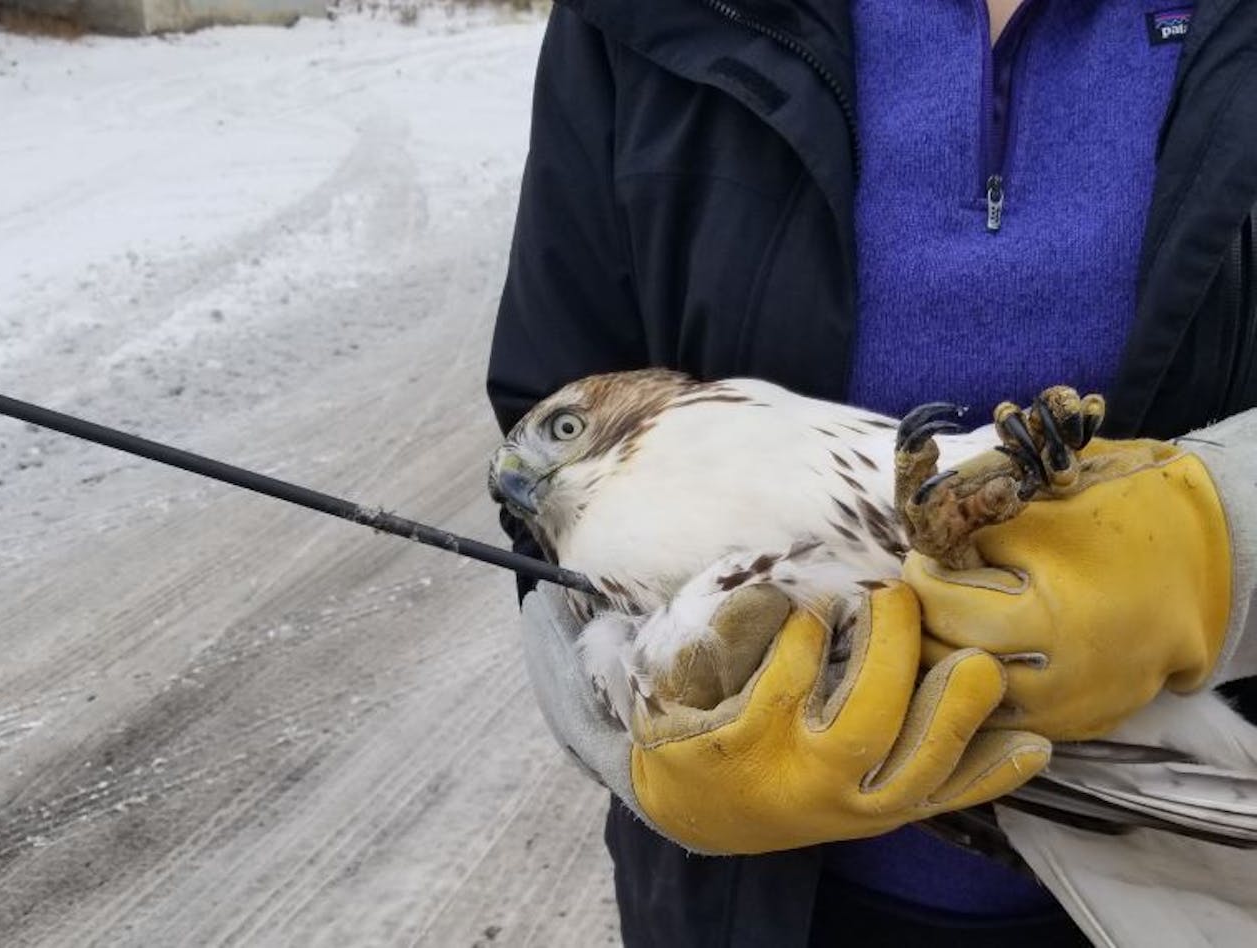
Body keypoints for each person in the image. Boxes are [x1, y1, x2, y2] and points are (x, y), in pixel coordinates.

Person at [486, 0, 1257, 944]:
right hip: (765, 912)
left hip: (1203, 878)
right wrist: (635, 734)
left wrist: (1228, 542)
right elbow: (542, 501)